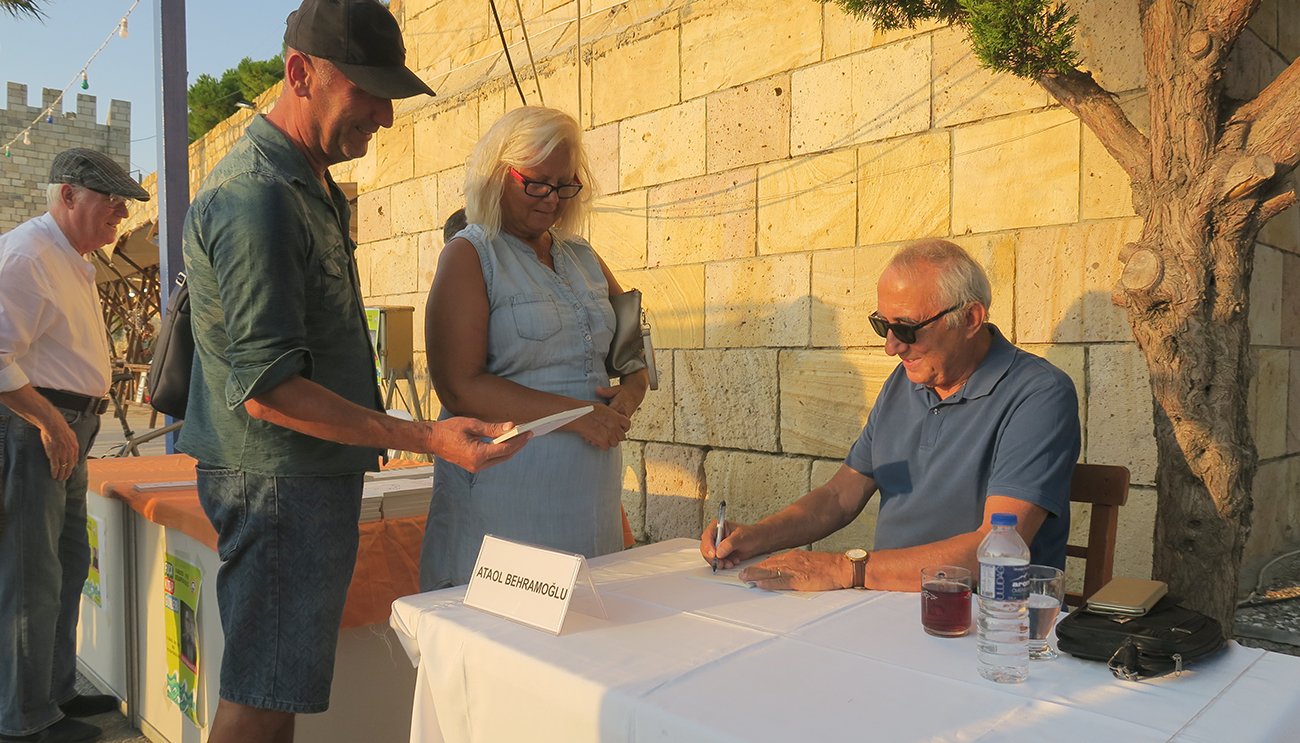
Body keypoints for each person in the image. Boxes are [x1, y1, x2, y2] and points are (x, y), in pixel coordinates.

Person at [178, 2, 526, 742]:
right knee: (260, 693)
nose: (386, 117)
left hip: (297, 479)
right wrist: (427, 436)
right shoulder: (259, 197)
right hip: (278, 482)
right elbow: (270, 389)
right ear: (299, 73)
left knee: (275, 687)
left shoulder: (304, 182)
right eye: (367, 91)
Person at [701, 240, 1080, 592]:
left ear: (969, 319)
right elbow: (839, 497)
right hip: (888, 604)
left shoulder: (1038, 394)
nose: (891, 347)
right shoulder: (906, 381)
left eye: (906, 328)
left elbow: (995, 548)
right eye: (883, 325)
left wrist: (843, 569)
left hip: (986, 622)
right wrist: (755, 536)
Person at [420, 106, 650, 590]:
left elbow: (632, 352)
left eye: (565, 185)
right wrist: (575, 415)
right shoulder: (470, 255)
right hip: (506, 498)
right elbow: (459, 386)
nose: (552, 199)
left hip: (589, 500)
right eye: (537, 184)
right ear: (497, 176)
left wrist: (629, 396)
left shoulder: (582, 256)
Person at [1, 148, 149, 743]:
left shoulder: (67, 257)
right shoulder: (27, 255)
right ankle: (24, 718)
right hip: (37, 428)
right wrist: (51, 422)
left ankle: (52, 693)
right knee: (29, 571)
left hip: (64, 428)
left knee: (65, 564)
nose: (120, 212)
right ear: (67, 196)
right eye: (109, 201)